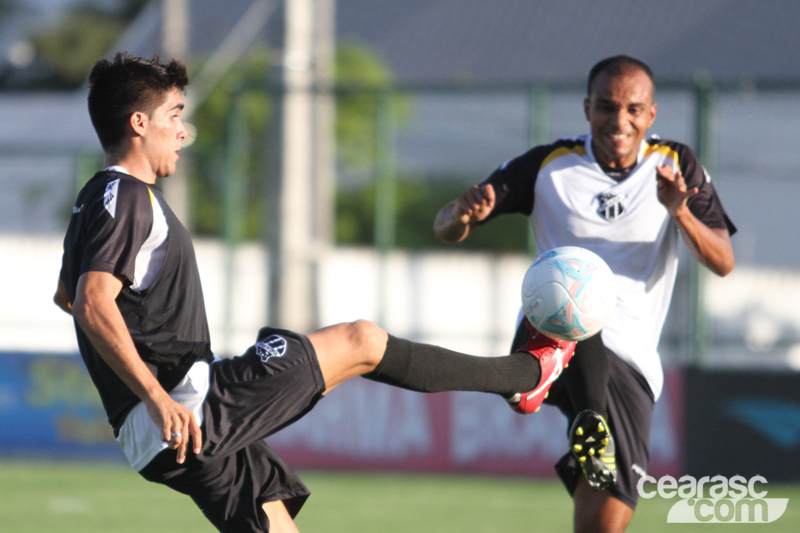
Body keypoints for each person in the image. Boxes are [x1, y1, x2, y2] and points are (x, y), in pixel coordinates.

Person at [52, 52, 576, 533]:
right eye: (174, 114)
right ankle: (524, 376)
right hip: (187, 406)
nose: (183, 132)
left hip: (161, 430)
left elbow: (69, 296)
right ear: (138, 123)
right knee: (361, 341)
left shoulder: (94, 199)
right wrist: (157, 394)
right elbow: (94, 302)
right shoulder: (127, 196)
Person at [434, 55, 736, 532]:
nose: (619, 121)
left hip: (631, 357)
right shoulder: (548, 167)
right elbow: (445, 225)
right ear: (586, 108)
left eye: (633, 109)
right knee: (582, 288)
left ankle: (591, 434)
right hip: (549, 329)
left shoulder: (674, 164)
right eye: (606, 107)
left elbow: (723, 261)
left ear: (651, 114)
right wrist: (462, 216)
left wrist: (679, 212)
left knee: (606, 523)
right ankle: (589, 418)